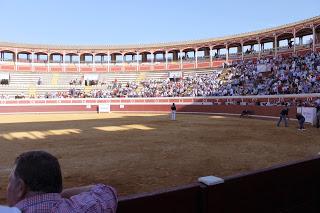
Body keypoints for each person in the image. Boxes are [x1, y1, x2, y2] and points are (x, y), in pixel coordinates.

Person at [7, 151, 117, 212]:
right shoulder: (81, 209)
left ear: (20, 188)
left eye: (10, 181)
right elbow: (106, 192)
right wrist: (57, 195)